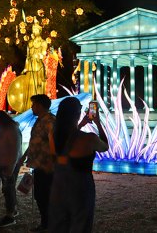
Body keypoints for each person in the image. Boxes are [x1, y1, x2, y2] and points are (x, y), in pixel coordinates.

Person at [48, 97, 108, 233]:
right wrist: (98, 122)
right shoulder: (89, 138)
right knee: (80, 223)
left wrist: (81, 124)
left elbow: (68, 142)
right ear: (77, 113)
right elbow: (105, 146)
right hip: (80, 187)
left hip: (58, 186)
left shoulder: (52, 135)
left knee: (59, 223)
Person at [20, 94, 56, 232]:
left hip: (46, 166)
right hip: (38, 164)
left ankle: (49, 224)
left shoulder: (49, 121)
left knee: (44, 195)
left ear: (40, 105)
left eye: (33, 104)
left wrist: (51, 162)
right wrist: (24, 156)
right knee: (40, 195)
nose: (31, 107)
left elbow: (54, 142)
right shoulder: (39, 120)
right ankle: (46, 223)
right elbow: (36, 140)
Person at [0, 110, 22, 227]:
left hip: (9, 164)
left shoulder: (12, 130)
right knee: (8, 189)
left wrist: (10, 167)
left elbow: (15, 150)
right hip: (5, 162)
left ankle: (10, 215)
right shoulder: (5, 129)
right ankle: (12, 209)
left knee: (8, 189)